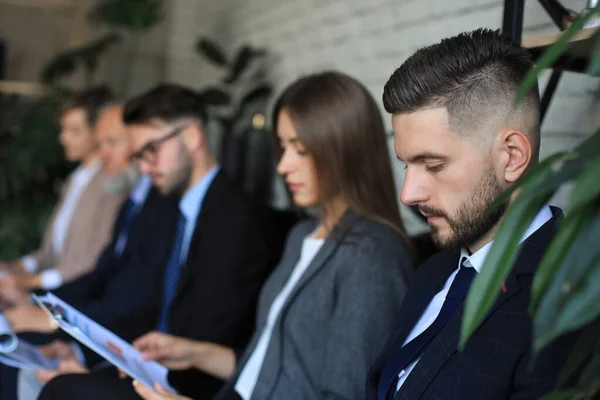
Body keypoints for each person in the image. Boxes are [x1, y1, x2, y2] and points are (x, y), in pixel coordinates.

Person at [41, 71, 414, 400]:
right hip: (223, 388)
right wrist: (193, 352)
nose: (283, 165)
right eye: (282, 148)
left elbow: (343, 394)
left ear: (343, 148)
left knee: (63, 389)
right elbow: (266, 362)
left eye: (299, 149)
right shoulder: (303, 235)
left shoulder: (371, 254)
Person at [366, 29, 577, 400]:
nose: (408, 194)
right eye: (406, 165)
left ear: (511, 156)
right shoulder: (433, 271)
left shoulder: (564, 310)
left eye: (432, 165)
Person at [35, 83, 280, 400]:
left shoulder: (236, 220)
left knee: (61, 387)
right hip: (153, 366)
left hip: (191, 385)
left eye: (152, 150)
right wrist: (90, 356)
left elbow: (206, 337)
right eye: (138, 156)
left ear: (192, 137)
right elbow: (145, 303)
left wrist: (112, 371)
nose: (145, 166)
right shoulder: (178, 204)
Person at [11, 103, 179, 400]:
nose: (103, 155)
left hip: (130, 340)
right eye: (101, 144)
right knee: (22, 352)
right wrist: (52, 310)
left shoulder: (154, 203)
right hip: (109, 328)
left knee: (29, 361)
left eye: (112, 143)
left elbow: (135, 297)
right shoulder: (134, 201)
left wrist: (53, 316)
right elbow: (101, 273)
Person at [0, 87, 125, 295]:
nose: (63, 138)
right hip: (54, 288)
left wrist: (28, 282)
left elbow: (92, 262)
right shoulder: (74, 180)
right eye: (63, 129)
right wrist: (15, 268)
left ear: (98, 131)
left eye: (74, 131)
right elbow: (49, 253)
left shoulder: (112, 184)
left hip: (74, 295)